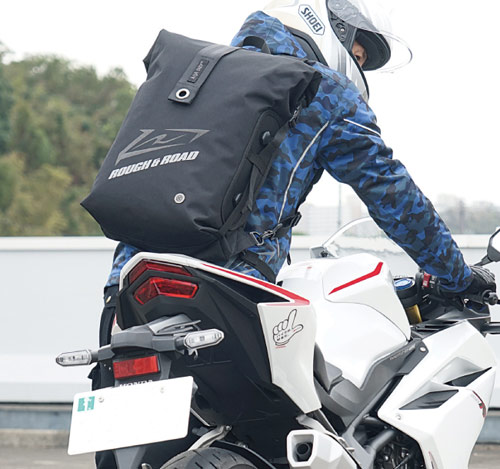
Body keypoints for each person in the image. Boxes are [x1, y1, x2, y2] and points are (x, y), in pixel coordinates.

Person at [92, 0, 495, 467]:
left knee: (129, 449)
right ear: (329, 27)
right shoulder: (320, 89)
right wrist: (458, 275)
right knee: (296, 434)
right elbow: (393, 195)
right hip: (232, 286)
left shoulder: (200, 77)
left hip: (132, 286)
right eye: (359, 53)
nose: (357, 64)